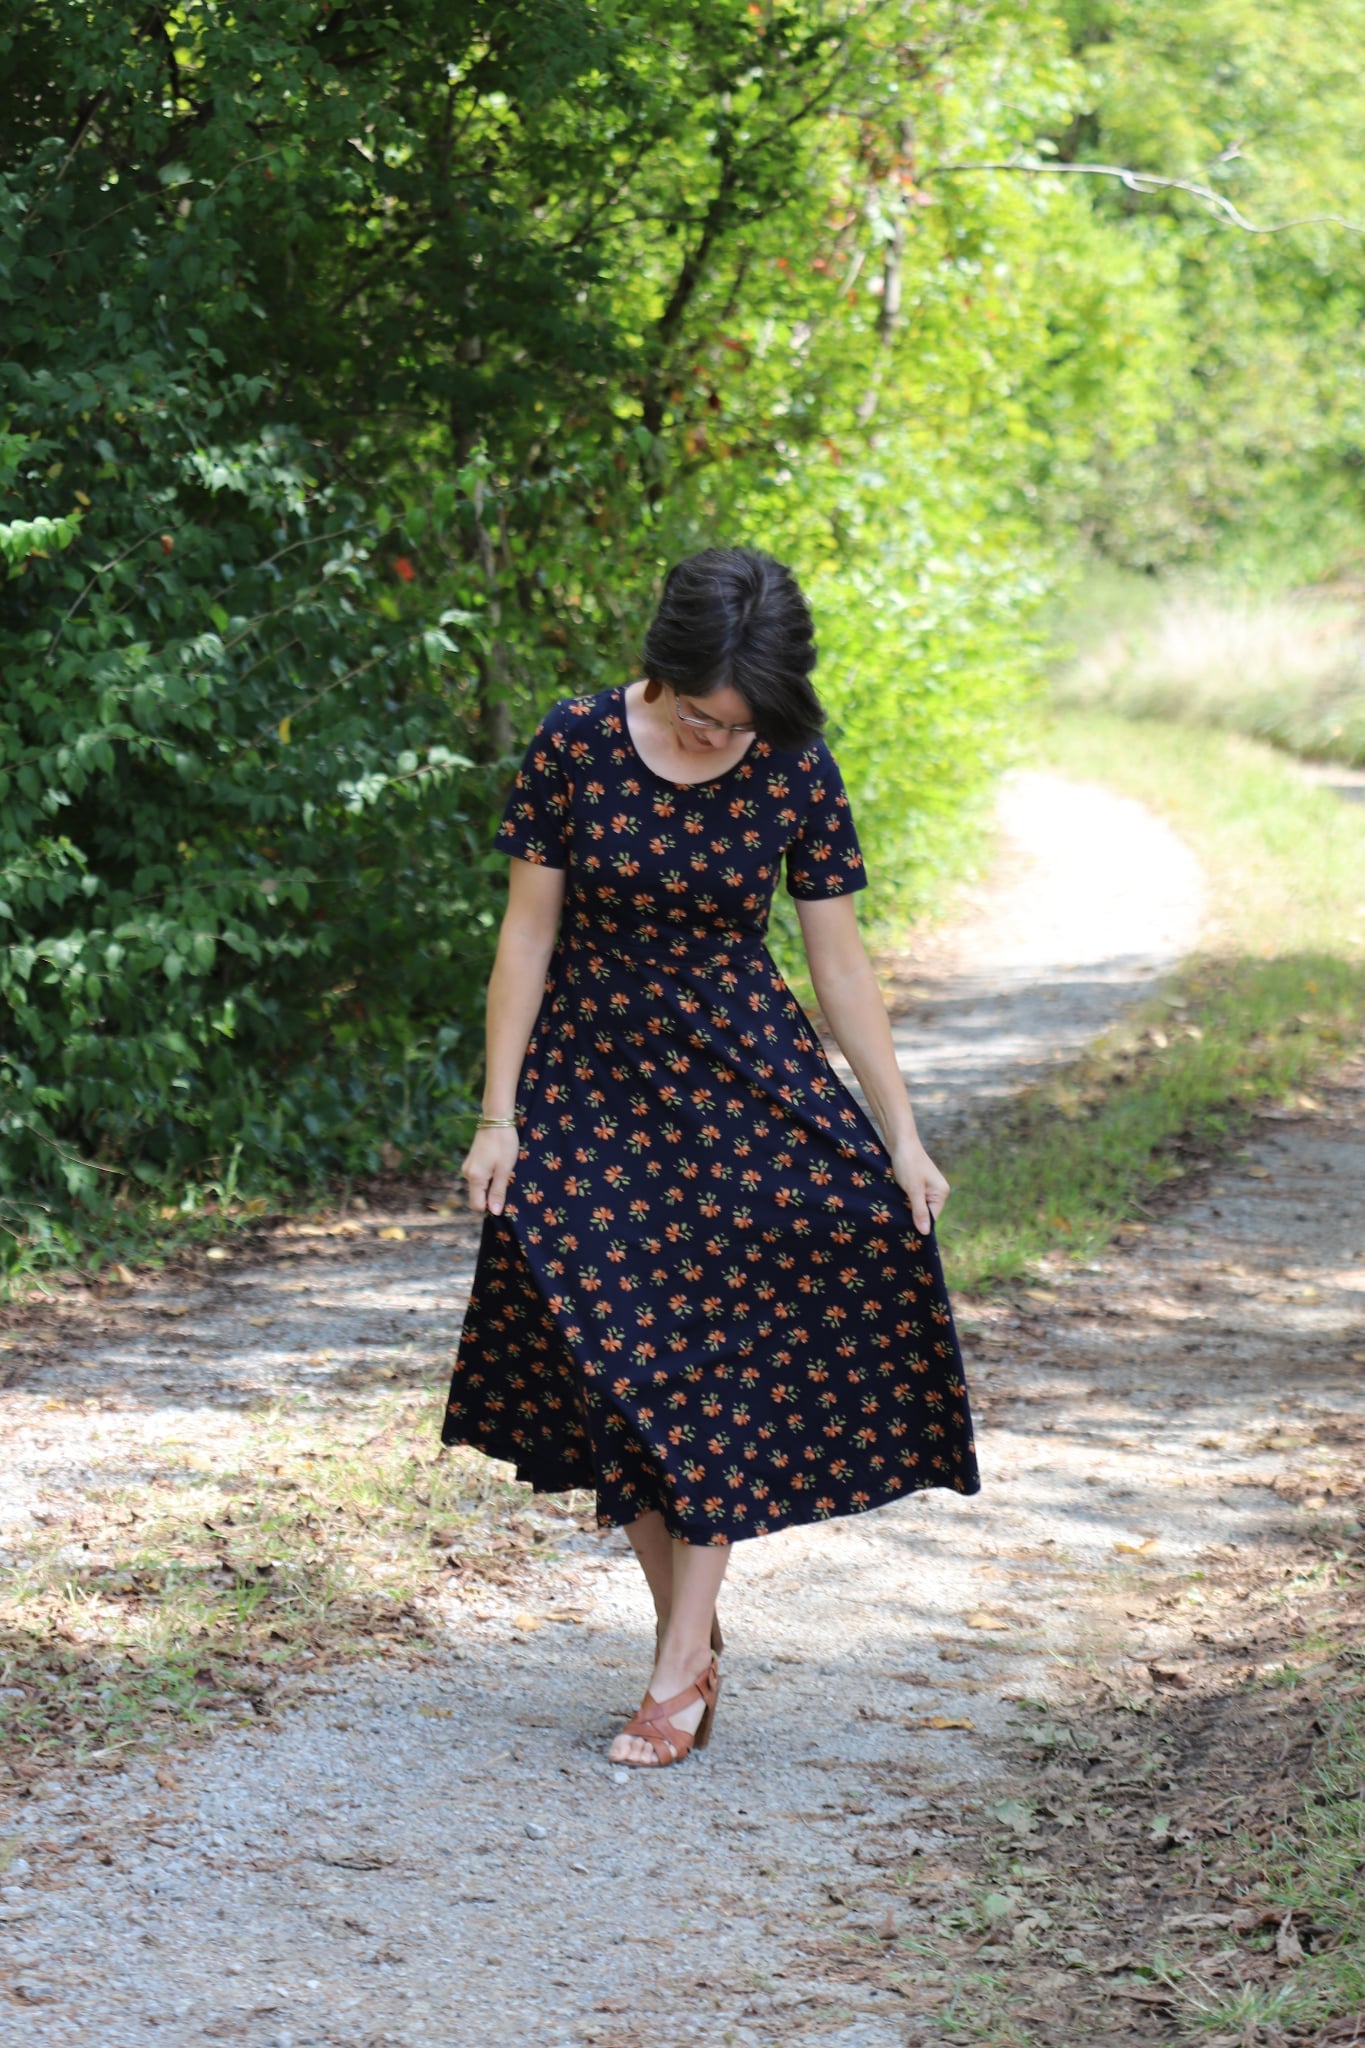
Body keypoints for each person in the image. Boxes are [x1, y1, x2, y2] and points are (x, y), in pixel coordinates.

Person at [442, 546, 979, 1769]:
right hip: (586, 1084)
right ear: (661, 668)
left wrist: (903, 1135)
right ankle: (686, 1627)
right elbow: (526, 937)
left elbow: (838, 962)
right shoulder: (574, 741)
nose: (716, 740)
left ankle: (681, 1658)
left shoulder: (796, 763)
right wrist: (498, 1114)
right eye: (699, 716)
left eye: (738, 727)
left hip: (740, 1083)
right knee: (605, 1359)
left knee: (712, 1362)